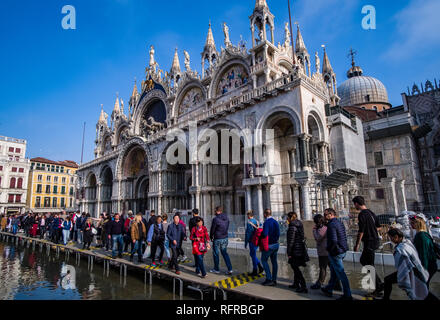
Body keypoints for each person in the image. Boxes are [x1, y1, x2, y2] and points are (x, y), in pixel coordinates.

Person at [383, 228, 431, 300]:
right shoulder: (407, 242)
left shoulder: (401, 249)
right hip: (416, 269)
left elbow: (404, 265)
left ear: (396, 237)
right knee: (420, 289)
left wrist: (403, 275)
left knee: (416, 290)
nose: (390, 240)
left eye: (391, 238)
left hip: (410, 272)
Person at [353, 196, 383, 297]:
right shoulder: (371, 213)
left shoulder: (362, 215)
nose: (354, 206)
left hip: (369, 242)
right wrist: (372, 230)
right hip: (374, 241)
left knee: (368, 264)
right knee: (366, 262)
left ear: (357, 203)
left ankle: (378, 287)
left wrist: (357, 244)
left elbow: (361, 231)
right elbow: (379, 227)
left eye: (355, 204)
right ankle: (378, 285)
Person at [321, 208, 353, 300]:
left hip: (336, 251)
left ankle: (347, 295)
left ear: (331, 214)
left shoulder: (332, 225)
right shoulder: (339, 222)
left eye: (325, 214)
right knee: (334, 271)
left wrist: (329, 249)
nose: (324, 216)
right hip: (342, 249)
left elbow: (334, 240)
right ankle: (329, 288)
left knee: (341, 273)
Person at [410, 216, 438, 288]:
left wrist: (422, 270)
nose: (410, 225)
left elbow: (424, 254)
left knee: (423, 287)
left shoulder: (421, 236)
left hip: (428, 265)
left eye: (412, 223)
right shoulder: (423, 234)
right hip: (430, 265)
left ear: (417, 224)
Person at [286, 212, 309, 293]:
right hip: (299, 249)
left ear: (290, 218)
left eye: (287, 217)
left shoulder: (292, 227)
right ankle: (296, 283)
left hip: (295, 250)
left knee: (295, 268)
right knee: (295, 266)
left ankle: (303, 286)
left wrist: (288, 252)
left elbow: (291, 241)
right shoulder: (299, 224)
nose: (286, 219)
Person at [210, 206, 233, 275]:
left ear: (217, 211)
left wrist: (211, 236)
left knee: (216, 254)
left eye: (215, 211)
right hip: (225, 237)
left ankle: (216, 269)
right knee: (225, 253)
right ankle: (230, 269)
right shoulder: (226, 218)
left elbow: (212, 229)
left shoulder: (215, 219)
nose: (214, 212)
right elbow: (227, 226)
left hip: (217, 238)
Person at [260, 208, 280, 286]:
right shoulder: (275, 221)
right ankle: (274, 279)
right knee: (274, 262)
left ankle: (268, 278)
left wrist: (260, 235)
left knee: (264, 260)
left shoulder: (267, 222)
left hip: (269, 245)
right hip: (276, 244)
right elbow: (278, 233)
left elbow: (265, 234)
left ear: (265, 214)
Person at [311, 214, 329, 290]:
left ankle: (319, 283)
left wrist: (314, 231)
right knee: (330, 268)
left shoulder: (324, 228)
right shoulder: (324, 227)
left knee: (322, 268)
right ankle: (336, 284)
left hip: (324, 251)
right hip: (325, 251)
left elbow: (318, 238)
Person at [244, 210, 263, 276]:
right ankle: (260, 267)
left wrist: (246, 243)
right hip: (257, 240)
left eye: (247, 216)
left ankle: (255, 270)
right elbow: (260, 226)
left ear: (249, 216)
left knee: (253, 255)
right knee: (252, 255)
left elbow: (248, 234)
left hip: (252, 240)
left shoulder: (249, 223)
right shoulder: (256, 221)